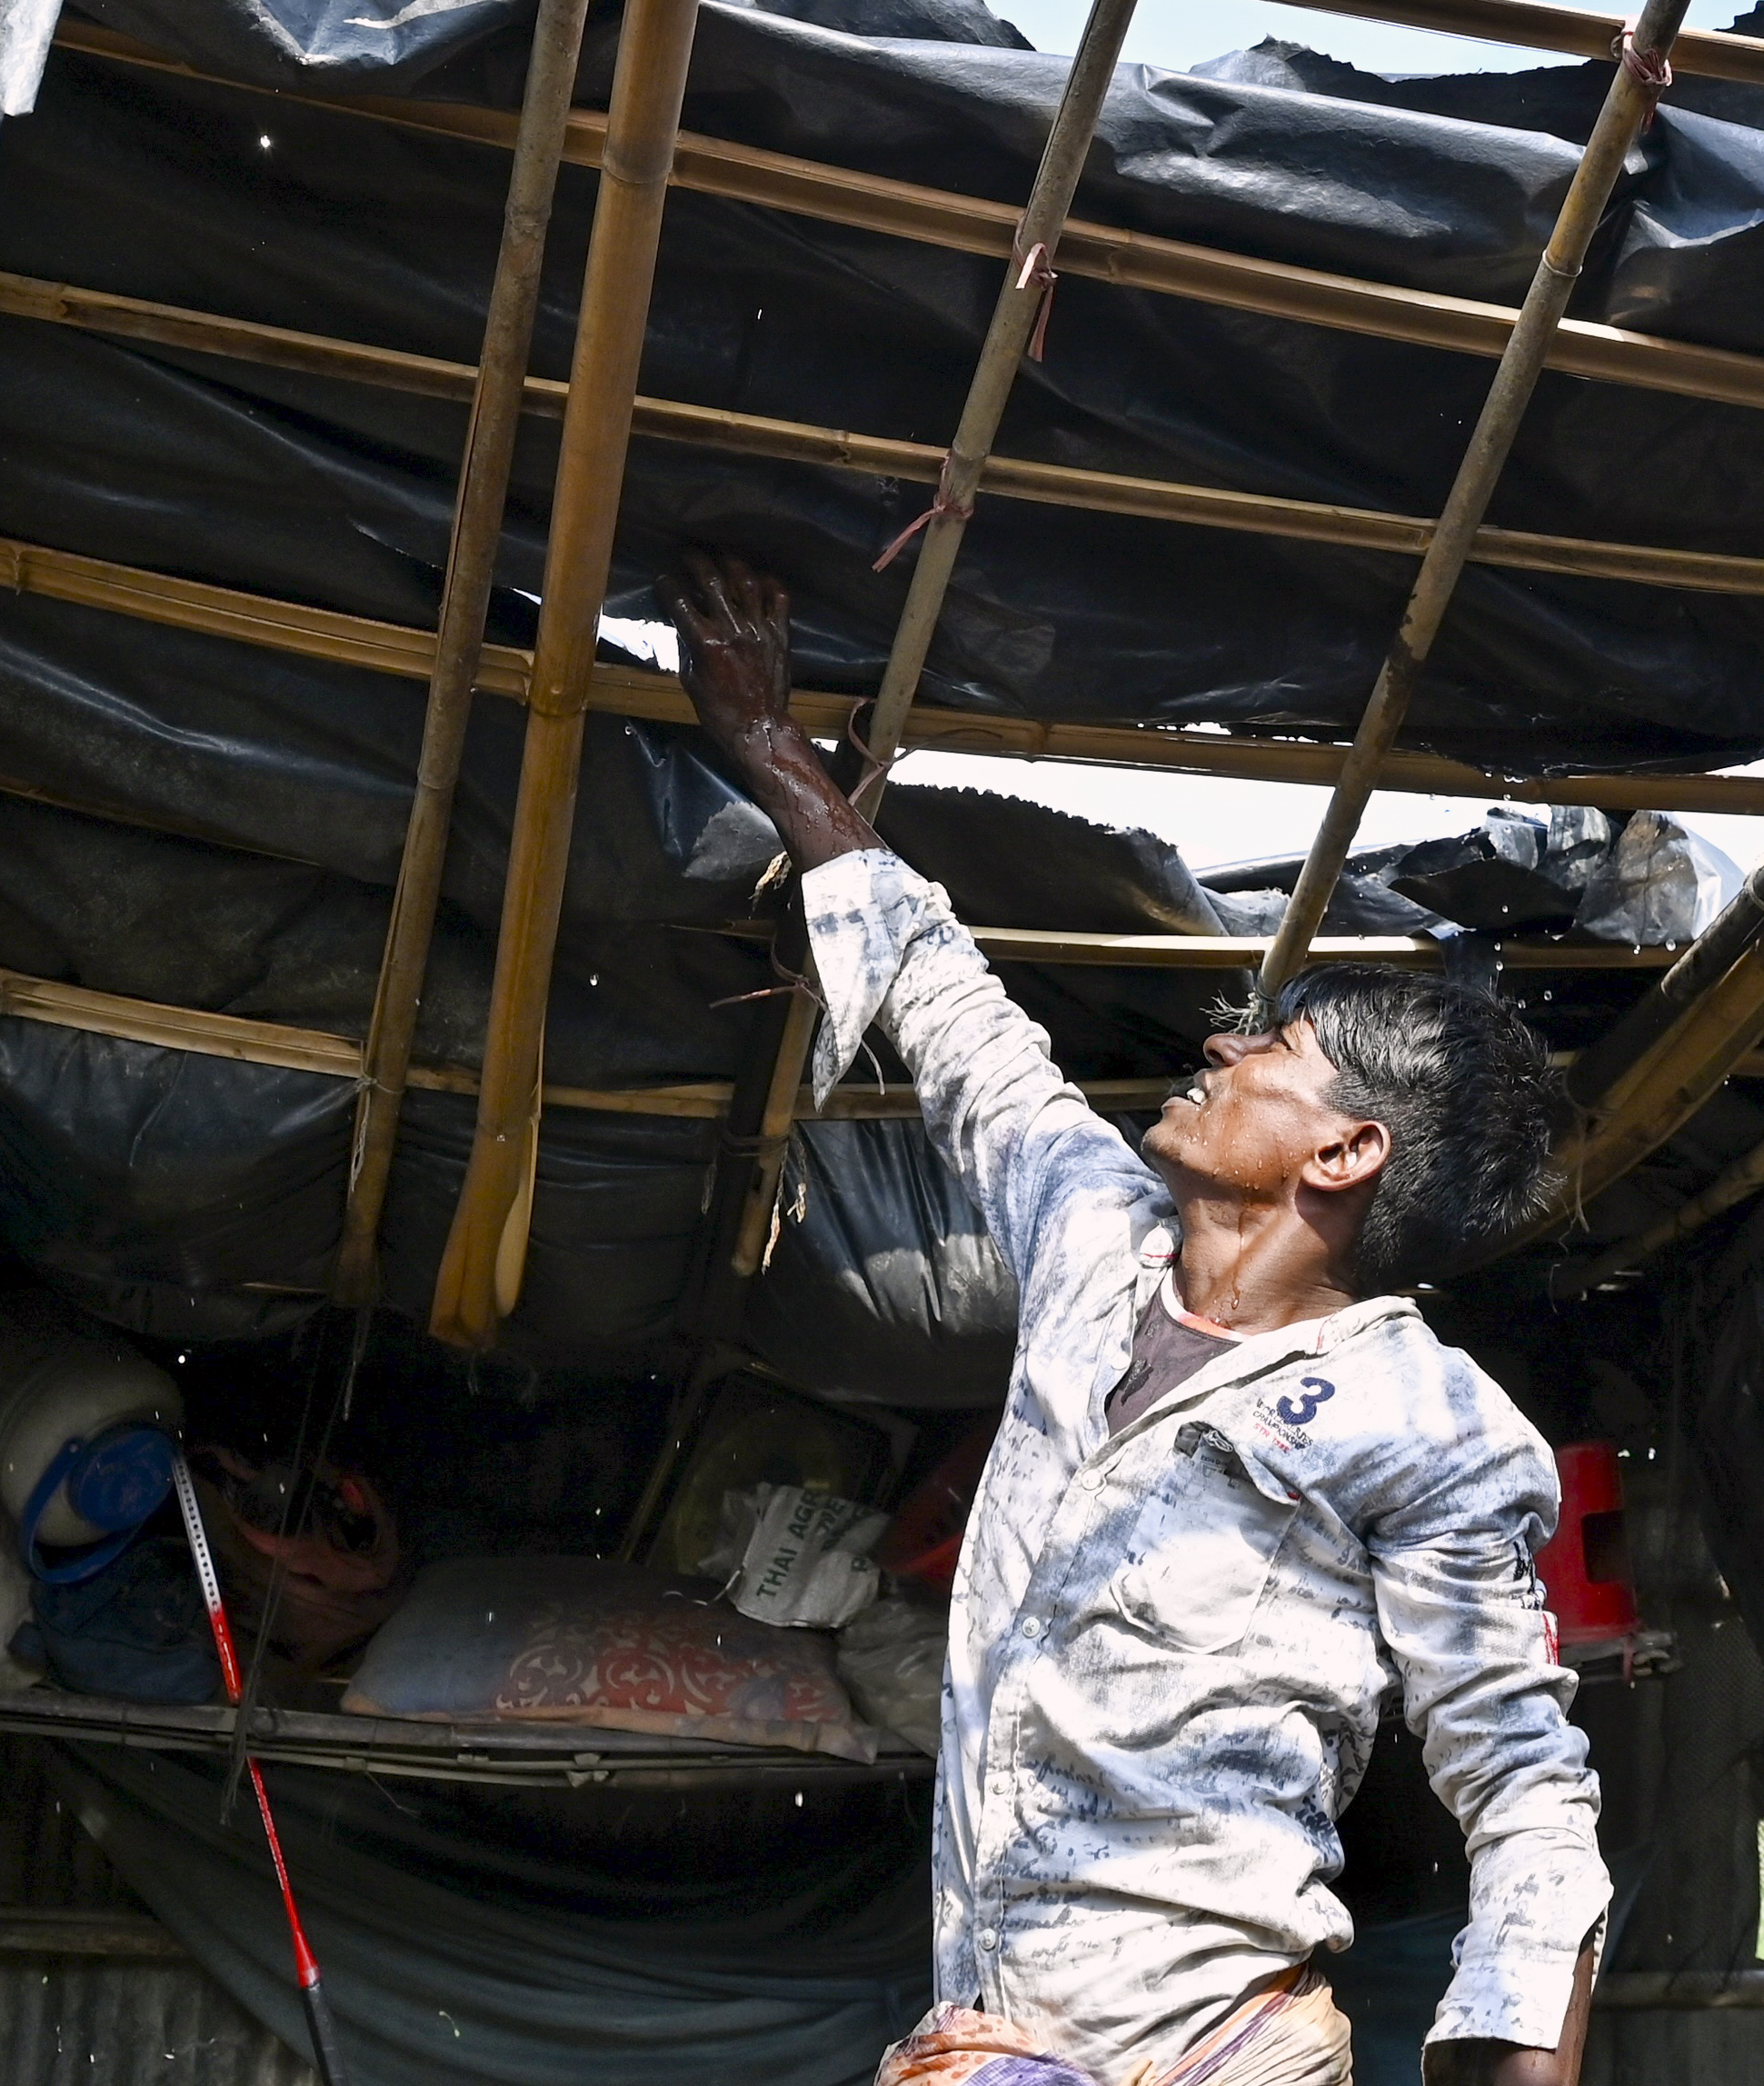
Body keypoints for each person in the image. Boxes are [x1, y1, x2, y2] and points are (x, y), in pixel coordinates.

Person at [670, 552, 1610, 2086]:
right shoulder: (1097, 1245)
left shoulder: (1424, 1423)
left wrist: (1508, 2053)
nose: (1225, 1040)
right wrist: (776, 759)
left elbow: (1519, 1782)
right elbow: (960, 1018)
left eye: (1279, 1045)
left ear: (1345, 1152)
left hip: (1219, 2052)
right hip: (1000, 2033)